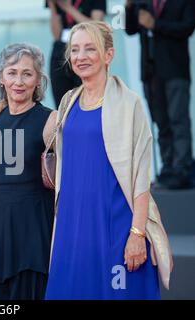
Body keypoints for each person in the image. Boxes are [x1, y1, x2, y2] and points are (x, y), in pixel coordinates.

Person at [43, 21, 171, 299]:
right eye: (75, 50)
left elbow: (140, 177)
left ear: (108, 55)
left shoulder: (130, 103)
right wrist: (2, 102)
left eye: (90, 48)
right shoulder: (67, 102)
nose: (81, 56)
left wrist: (137, 234)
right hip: (72, 229)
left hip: (116, 226)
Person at [0, 43, 55, 300]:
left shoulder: (50, 120)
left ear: (38, 80)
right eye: (12, 72)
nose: (19, 81)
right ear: (1, 77)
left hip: (31, 237)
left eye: (27, 74)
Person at [125, 0, 195, 189]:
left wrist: (156, 25)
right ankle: (168, 168)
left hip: (175, 71)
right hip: (150, 72)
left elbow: (187, 27)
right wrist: (129, 7)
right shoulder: (143, 2)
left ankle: (182, 168)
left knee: (178, 120)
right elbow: (130, 29)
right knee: (161, 122)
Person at [45, 0, 106, 108]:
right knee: (61, 103)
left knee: (88, 99)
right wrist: (52, 6)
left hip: (86, 50)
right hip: (61, 50)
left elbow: (96, 27)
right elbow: (56, 34)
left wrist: (68, 8)